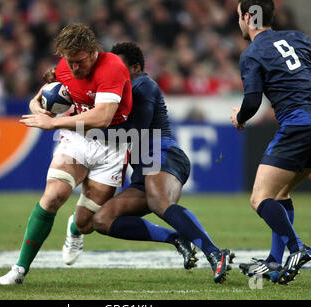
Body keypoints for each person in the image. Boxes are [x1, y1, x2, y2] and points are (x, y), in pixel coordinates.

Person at [63, 42, 234, 283]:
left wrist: (82, 126)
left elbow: (135, 130)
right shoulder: (116, 90)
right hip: (143, 168)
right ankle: (177, 238)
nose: (113, 72)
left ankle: (215, 252)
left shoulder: (143, 85)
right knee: (101, 220)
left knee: (159, 201)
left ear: (135, 68)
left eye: (119, 66)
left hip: (161, 153)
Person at [0, 23, 133, 285]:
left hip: (114, 146)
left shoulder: (112, 66)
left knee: (86, 222)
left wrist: (54, 123)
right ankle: (20, 269)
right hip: (78, 139)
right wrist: (37, 106)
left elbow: (103, 116)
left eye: (79, 61)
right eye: (69, 61)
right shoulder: (66, 66)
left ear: (93, 52)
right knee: (53, 197)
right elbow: (41, 99)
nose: (74, 68)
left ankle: (74, 228)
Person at [231, 0, 311, 284]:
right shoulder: (299, 38)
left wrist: (240, 118)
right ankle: (276, 261)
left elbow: (252, 101)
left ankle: (297, 248)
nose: (238, 21)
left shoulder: (252, 53)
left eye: (239, 16)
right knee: (280, 194)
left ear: (248, 16)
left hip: (299, 127)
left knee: (260, 197)